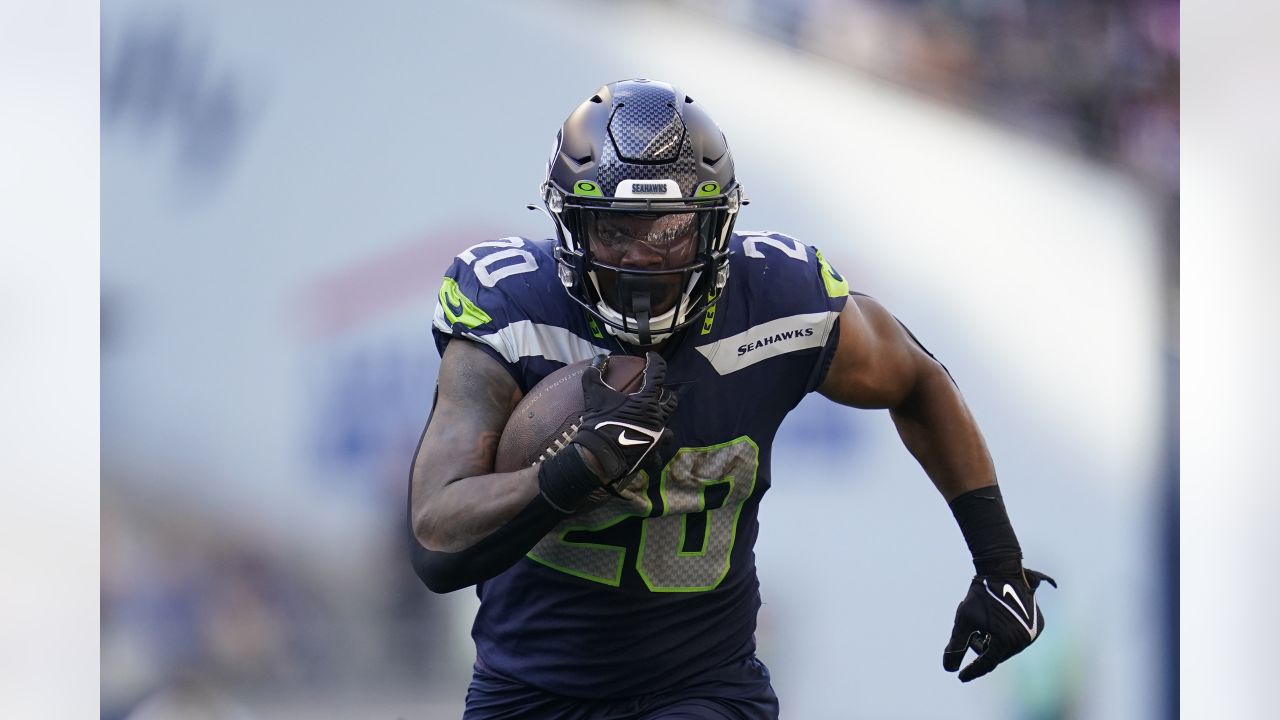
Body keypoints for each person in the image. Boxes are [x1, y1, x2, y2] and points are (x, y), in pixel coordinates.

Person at [408, 78, 1054, 719]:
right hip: (529, 689)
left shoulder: (778, 296)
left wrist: (999, 563)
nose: (640, 259)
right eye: (614, 229)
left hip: (703, 688)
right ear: (570, 222)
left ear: (717, 225)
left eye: (669, 233)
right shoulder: (513, 309)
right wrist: (571, 471)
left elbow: (916, 379)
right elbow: (438, 538)